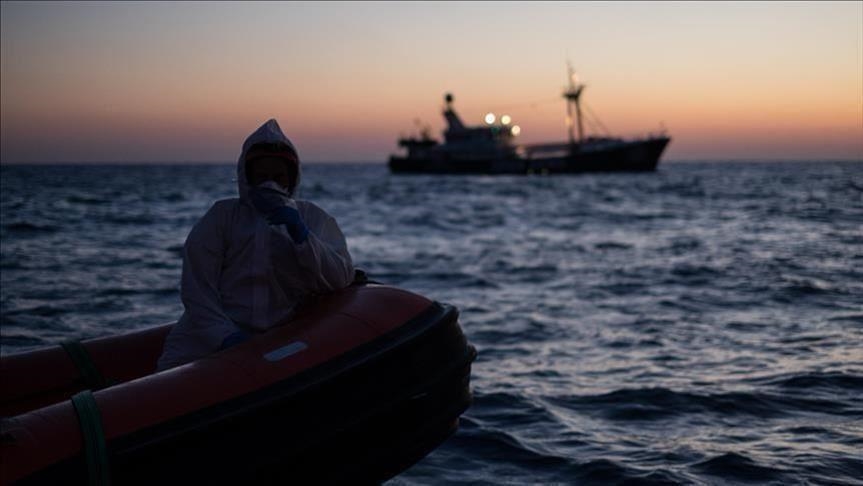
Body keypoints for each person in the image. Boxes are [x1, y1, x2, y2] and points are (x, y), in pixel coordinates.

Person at [157, 119, 355, 370]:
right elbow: (197, 290)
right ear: (246, 177)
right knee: (169, 382)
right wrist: (225, 337)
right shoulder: (222, 217)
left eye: (278, 177)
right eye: (261, 177)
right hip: (206, 338)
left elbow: (340, 277)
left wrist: (303, 237)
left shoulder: (313, 219)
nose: (269, 184)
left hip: (279, 339)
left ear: (291, 179)